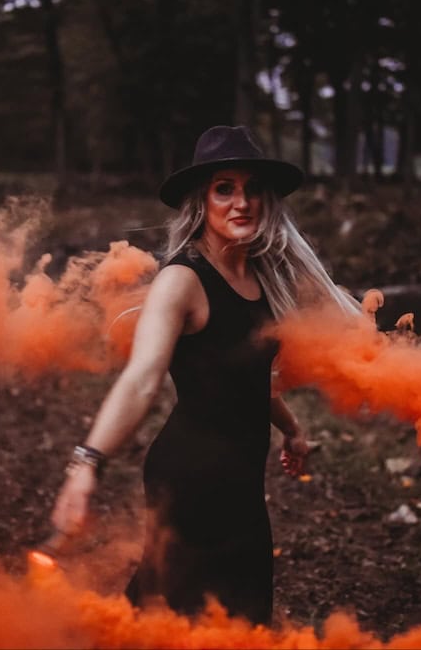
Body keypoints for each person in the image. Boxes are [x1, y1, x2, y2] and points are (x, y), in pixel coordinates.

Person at [50, 125, 358, 626]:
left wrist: (293, 430)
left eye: (252, 188)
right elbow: (141, 379)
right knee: (178, 617)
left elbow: (244, 379)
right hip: (191, 482)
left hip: (240, 484)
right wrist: (87, 463)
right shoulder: (181, 281)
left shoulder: (259, 277)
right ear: (201, 202)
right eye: (225, 188)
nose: (242, 201)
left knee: (242, 614)